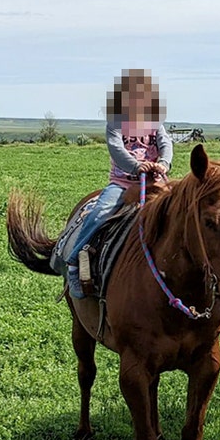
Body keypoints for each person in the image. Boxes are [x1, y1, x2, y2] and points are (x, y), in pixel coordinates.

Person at [65, 69, 172, 298]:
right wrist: (136, 166)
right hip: (123, 183)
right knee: (100, 213)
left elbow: (166, 144)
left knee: (179, 210)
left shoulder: (155, 122)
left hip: (155, 180)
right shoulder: (115, 122)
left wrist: (163, 163)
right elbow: (116, 148)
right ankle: (74, 262)